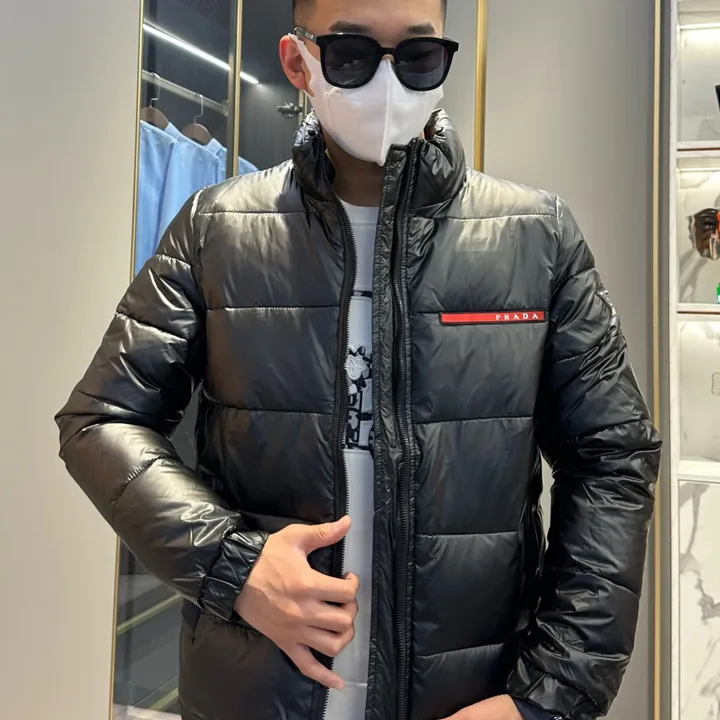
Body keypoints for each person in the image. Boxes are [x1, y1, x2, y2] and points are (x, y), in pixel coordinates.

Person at [55, 0, 662, 718]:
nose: (388, 82)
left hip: (470, 693)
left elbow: (613, 457)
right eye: (351, 54)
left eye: (418, 56)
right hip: (252, 691)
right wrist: (233, 565)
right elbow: (101, 421)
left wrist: (551, 696)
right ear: (298, 62)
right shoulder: (215, 230)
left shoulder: (537, 237)